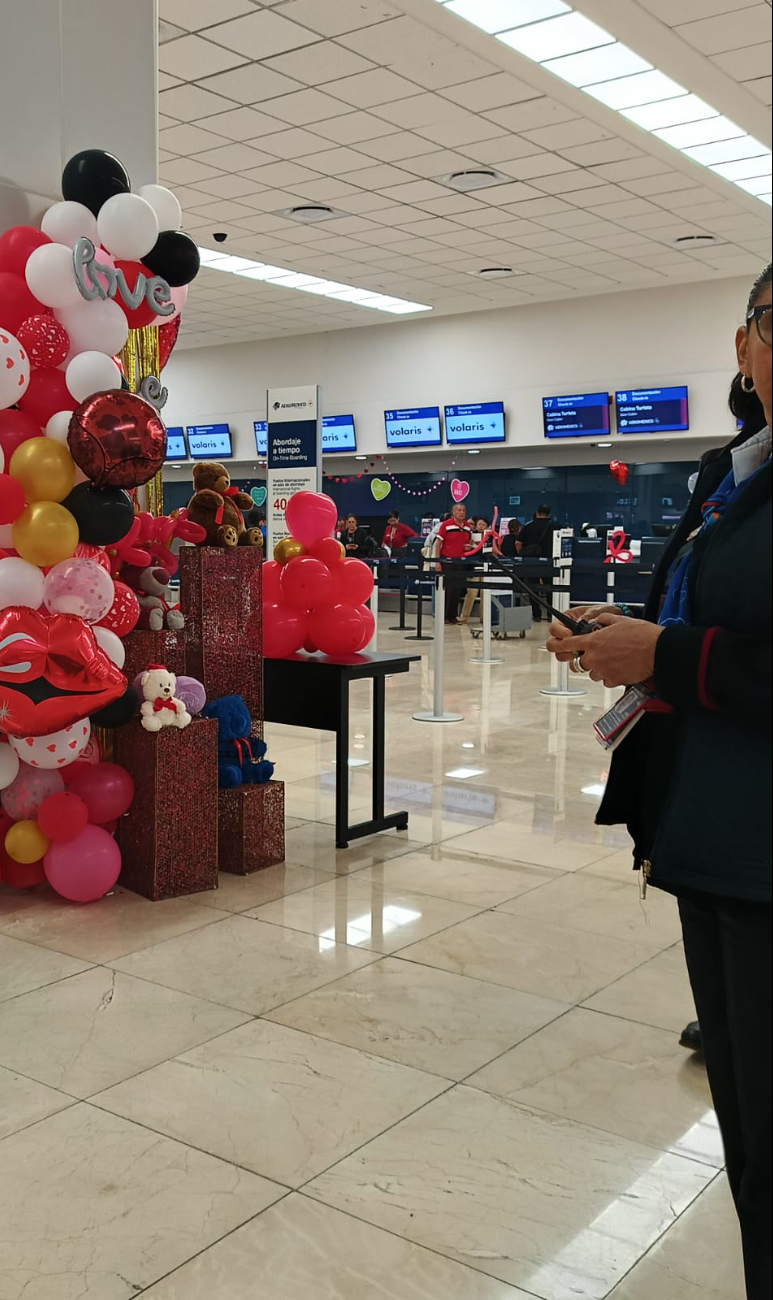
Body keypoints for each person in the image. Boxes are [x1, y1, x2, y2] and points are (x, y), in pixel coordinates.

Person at [546, 262, 771, 1300]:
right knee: (747, 1132)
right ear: (743, 347)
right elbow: (697, 621)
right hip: (708, 838)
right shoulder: (728, 473)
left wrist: (668, 657)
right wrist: (621, 638)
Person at [433, 502, 471, 623]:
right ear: (453, 512)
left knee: (457, 590)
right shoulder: (446, 525)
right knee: (448, 590)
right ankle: (444, 616)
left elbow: (469, 542)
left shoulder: (467, 527)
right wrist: (437, 562)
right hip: (447, 561)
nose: (461, 512)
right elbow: (438, 544)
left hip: (461, 562)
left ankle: (453, 616)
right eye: (459, 510)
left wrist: (468, 547)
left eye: (463, 510)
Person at [517, 504, 555, 621]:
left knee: (532, 588)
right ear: (549, 514)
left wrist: (522, 554)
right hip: (550, 562)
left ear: (537, 513)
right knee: (550, 588)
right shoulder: (556, 526)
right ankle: (551, 614)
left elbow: (518, 543)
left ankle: (537, 614)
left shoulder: (528, 526)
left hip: (531, 562)